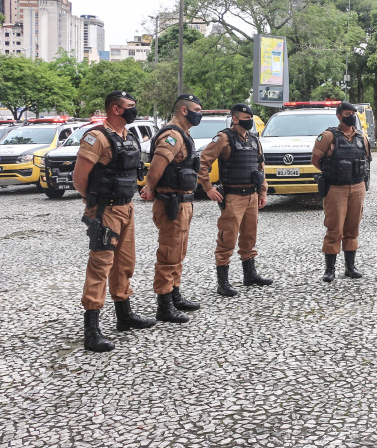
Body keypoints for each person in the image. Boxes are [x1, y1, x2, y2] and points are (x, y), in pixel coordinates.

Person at [73, 91, 155, 352]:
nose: (135, 110)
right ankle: (92, 330)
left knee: (124, 263)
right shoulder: (96, 137)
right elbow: (79, 177)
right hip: (106, 210)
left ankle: (124, 316)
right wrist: (94, 201)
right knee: (100, 267)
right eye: (131, 106)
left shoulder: (128, 136)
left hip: (126, 207)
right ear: (116, 110)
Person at [140, 93, 203, 323]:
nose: (200, 114)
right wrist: (149, 187)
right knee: (168, 255)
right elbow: (157, 167)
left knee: (178, 253)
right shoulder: (172, 135)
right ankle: (164, 305)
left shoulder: (184, 135)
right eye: (197, 109)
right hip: (170, 204)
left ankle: (175, 295)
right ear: (184, 111)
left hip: (182, 203)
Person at [198, 103, 273, 296]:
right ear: (235, 119)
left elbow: (260, 168)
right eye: (244, 118)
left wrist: (263, 192)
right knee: (227, 238)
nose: (248, 121)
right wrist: (208, 188)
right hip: (233, 196)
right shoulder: (224, 138)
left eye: (250, 118)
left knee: (249, 236)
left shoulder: (255, 140)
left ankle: (250, 275)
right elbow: (202, 163)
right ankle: (223, 282)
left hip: (252, 195)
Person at [312, 101, 372, 283]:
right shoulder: (328, 136)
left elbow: (367, 159)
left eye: (353, 113)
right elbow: (315, 160)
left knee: (352, 227)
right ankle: (329, 269)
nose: (351, 116)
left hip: (357, 187)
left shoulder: (362, 138)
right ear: (339, 116)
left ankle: (350, 267)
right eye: (347, 113)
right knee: (334, 227)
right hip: (336, 188)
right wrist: (331, 172)